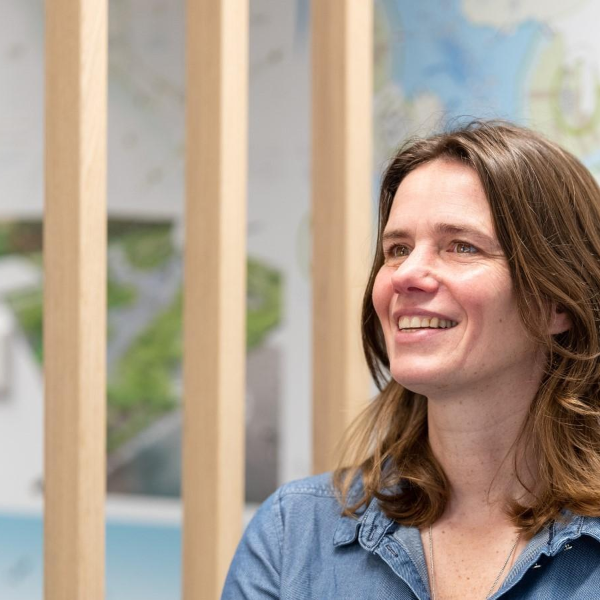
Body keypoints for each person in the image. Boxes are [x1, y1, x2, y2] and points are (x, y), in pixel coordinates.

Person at [221, 121, 600, 599]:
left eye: (461, 246)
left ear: (558, 303)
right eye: (397, 249)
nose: (406, 274)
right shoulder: (293, 536)